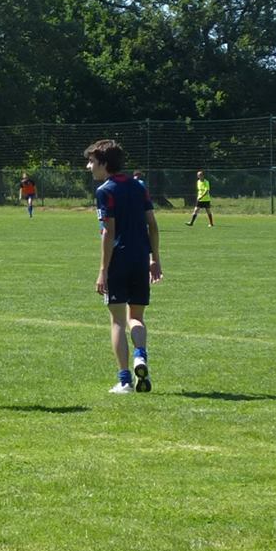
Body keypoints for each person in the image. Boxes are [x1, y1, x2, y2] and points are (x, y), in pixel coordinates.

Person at [85, 139, 161, 394]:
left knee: (117, 320)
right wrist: (155, 258)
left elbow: (109, 231)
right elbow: (152, 224)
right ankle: (141, 354)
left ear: (104, 164)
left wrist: (102, 270)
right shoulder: (139, 187)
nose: (89, 166)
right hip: (140, 258)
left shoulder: (105, 191)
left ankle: (125, 380)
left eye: (92, 162)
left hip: (118, 260)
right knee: (136, 318)